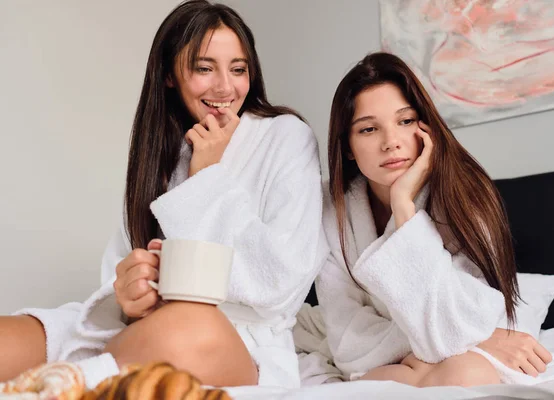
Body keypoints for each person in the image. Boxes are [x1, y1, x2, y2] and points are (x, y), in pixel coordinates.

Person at [1, 0, 323, 389]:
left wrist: (207, 178)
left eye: (238, 69)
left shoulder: (286, 137)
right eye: (205, 68)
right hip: (143, 329)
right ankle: (70, 374)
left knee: (191, 323)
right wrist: (128, 294)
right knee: (9, 339)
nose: (225, 86)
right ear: (170, 74)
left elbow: (281, 280)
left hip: (238, 342)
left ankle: (62, 387)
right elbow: (121, 266)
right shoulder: (160, 151)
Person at [316, 51, 552, 387]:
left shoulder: (463, 197)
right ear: (349, 146)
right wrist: (444, 341)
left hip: (466, 353)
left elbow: (463, 319)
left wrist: (404, 209)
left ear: (426, 125)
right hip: (403, 357)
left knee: (468, 373)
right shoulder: (333, 210)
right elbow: (347, 339)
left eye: (406, 121)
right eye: (368, 129)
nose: (391, 142)